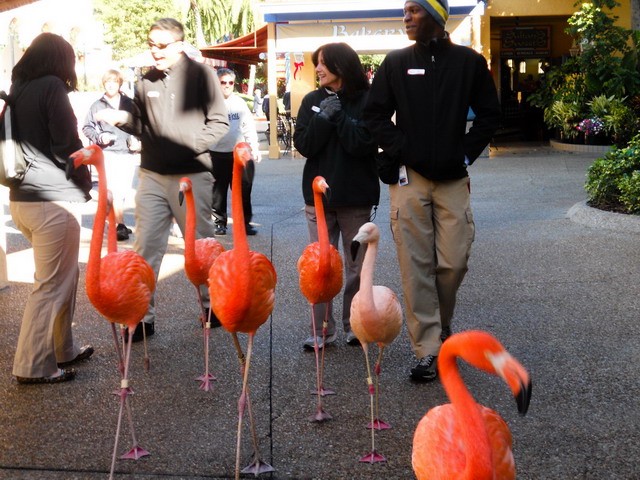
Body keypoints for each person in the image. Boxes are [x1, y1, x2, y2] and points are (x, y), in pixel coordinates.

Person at [364, 0, 500, 381]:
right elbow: (374, 115)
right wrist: (403, 149)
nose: (405, 17)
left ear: (437, 17)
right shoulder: (395, 63)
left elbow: (491, 115)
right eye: (404, 10)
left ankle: (441, 325)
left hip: (454, 178)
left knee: (453, 262)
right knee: (415, 266)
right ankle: (429, 349)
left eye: (413, 10)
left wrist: (467, 154)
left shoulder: (469, 63)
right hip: (410, 178)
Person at [96, 18, 229, 341]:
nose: (154, 51)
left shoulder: (202, 76)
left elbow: (219, 123)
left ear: (180, 44)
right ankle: (142, 316)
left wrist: (186, 146)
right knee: (145, 248)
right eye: (150, 44)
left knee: (200, 248)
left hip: (192, 175)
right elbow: (142, 125)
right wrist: (123, 119)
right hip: (152, 175)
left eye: (161, 45)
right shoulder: (144, 81)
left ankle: (213, 307)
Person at [7, 33, 94, 384]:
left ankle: (64, 349)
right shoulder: (52, 87)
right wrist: (85, 182)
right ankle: (32, 367)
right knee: (51, 286)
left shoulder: (19, 88)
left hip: (22, 201)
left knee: (63, 279)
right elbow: (67, 144)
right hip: (51, 202)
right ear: (62, 60)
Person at [293, 42, 379, 349]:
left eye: (323, 64)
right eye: (317, 63)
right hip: (317, 199)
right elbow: (304, 144)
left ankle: (354, 325)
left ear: (342, 66)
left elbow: (362, 144)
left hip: (355, 197)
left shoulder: (368, 100)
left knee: (356, 267)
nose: (317, 69)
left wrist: (339, 117)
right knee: (321, 267)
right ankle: (321, 331)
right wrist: (322, 118)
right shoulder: (312, 100)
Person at [82, 69, 139, 241]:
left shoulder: (129, 103)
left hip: (127, 152)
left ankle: (115, 222)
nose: (111, 84)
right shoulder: (97, 105)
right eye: (108, 81)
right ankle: (118, 225)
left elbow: (139, 125)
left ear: (120, 83)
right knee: (113, 191)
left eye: (114, 81)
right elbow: (87, 127)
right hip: (107, 154)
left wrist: (137, 141)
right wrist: (100, 137)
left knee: (122, 191)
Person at [209, 68, 261, 236]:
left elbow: (248, 127)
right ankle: (219, 222)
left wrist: (255, 148)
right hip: (217, 153)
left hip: (239, 155)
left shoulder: (239, 103)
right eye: (223, 82)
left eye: (230, 82)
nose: (227, 86)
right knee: (218, 192)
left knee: (243, 191)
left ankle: (244, 223)